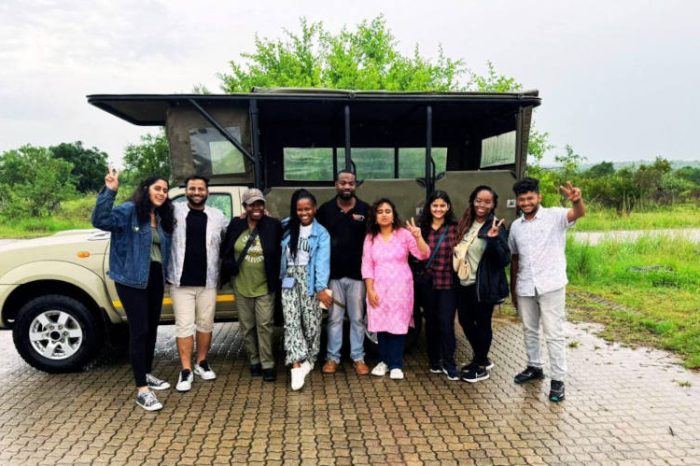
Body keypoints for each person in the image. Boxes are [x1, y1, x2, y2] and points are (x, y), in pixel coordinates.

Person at [92, 167, 174, 411]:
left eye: (165, 190)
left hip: (155, 278)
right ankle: (141, 390)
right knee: (139, 331)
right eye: (157, 188)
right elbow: (101, 220)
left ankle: (146, 373)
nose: (162, 193)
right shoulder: (129, 211)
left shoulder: (160, 217)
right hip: (131, 280)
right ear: (146, 189)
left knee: (151, 330)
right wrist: (109, 191)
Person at [508, 177, 586, 402]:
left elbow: (578, 213)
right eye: (522, 199)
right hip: (525, 285)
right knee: (529, 330)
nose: (526, 202)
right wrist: (514, 289)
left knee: (553, 334)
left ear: (539, 197)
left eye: (530, 198)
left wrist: (577, 201)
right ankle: (535, 367)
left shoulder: (555, 216)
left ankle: (558, 380)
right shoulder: (516, 226)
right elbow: (515, 258)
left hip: (551, 285)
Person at [167, 176, 228, 392]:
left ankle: (201, 362)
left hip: (208, 281)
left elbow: (230, 235)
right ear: (186, 191)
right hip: (180, 281)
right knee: (184, 325)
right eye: (192, 188)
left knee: (205, 323)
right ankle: (185, 370)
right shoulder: (174, 211)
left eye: (200, 189)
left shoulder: (217, 216)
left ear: (207, 192)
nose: (196, 192)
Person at [362, 198, 430, 380]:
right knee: (381, 326)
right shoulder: (370, 238)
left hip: (401, 288)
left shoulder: (404, 234)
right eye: (380, 212)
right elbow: (367, 265)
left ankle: (396, 364)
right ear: (375, 217)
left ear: (393, 215)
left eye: (388, 211)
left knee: (398, 326)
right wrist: (369, 289)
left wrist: (418, 236)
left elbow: (423, 254)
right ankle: (383, 361)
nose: (384, 215)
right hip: (378, 287)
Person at [221, 188, 282, 382]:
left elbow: (284, 240)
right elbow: (226, 247)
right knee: (247, 327)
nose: (256, 208)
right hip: (241, 285)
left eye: (259, 204)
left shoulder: (273, 225)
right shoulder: (236, 224)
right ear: (245, 207)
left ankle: (267, 363)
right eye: (252, 204)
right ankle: (254, 361)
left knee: (265, 325)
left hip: (265, 285)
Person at [454, 185, 511, 383]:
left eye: (487, 202)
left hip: (483, 285)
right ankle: (481, 358)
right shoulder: (467, 222)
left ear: (493, 204)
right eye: (479, 200)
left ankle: (480, 365)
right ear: (473, 200)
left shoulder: (495, 225)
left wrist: (494, 240)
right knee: (465, 322)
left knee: (483, 324)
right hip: (464, 283)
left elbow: (505, 259)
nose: (482, 205)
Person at [317, 170, 370, 376]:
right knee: (334, 318)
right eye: (343, 183)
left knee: (357, 319)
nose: (347, 186)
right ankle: (332, 358)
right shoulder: (326, 210)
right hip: (333, 276)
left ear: (355, 185)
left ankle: (358, 358)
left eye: (351, 183)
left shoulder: (365, 209)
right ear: (336, 184)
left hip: (358, 276)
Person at [279, 189, 331, 390]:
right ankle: (296, 365)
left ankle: (309, 360)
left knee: (311, 324)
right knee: (291, 321)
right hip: (289, 278)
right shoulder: (286, 226)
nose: (304, 213)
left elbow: (322, 262)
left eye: (307, 209)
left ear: (314, 209)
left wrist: (320, 287)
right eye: (299, 210)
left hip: (310, 280)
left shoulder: (321, 233)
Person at [416, 191, 460, 381]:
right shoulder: (422, 228)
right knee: (431, 323)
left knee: (446, 323)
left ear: (448, 207)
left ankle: (449, 363)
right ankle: (434, 361)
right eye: (435, 205)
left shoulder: (455, 228)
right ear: (429, 208)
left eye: (442, 205)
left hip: (448, 282)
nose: (438, 209)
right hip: (428, 282)